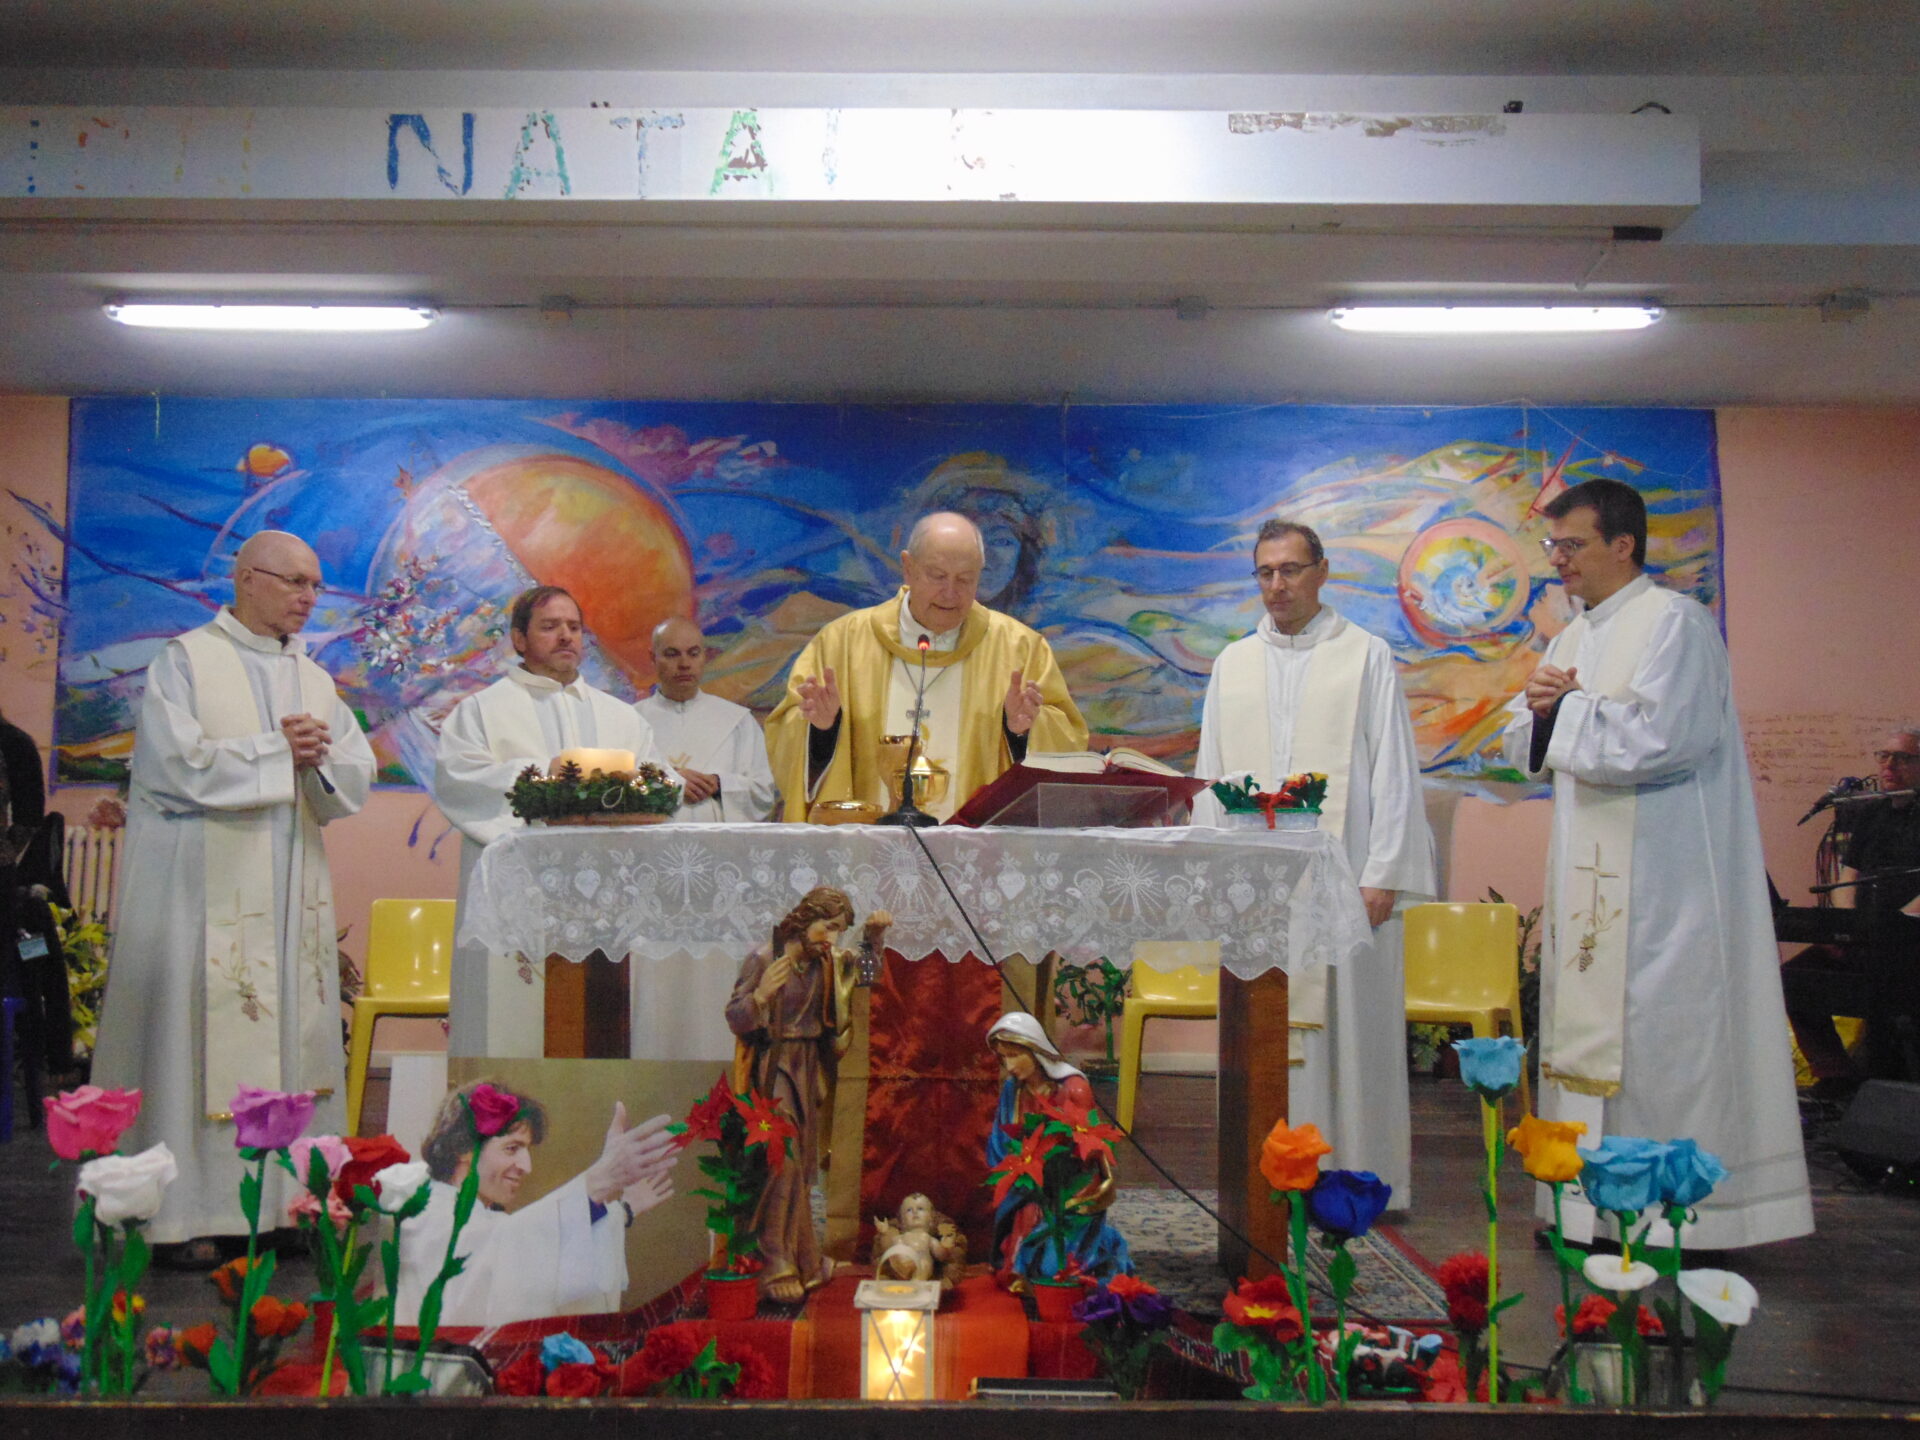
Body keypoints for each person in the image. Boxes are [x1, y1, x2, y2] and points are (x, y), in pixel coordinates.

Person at [1500, 478, 1813, 1249]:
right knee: (1588, 1032)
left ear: (1623, 544)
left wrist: (1565, 710)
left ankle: (1677, 1221)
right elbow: (1522, 735)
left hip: (1667, 889)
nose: (1558, 559)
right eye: (1553, 545)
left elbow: (1666, 740)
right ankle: (1585, 1208)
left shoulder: (1676, 623)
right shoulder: (1573, 638)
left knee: (1660, 1039)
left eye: (1572, 544)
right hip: (1590, 887)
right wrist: (1542, 713)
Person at [91, 532, 376, 1261]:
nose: (309, 597)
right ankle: (191, 1215)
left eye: (316, 585)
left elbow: (354, 771)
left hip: (288, 898)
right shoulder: (187, 660)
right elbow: (172, 765)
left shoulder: (312, 678)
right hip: (200, 896)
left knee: (291, 1038)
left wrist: (320, 758)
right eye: (295, 582)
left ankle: (287, 1206)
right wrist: (279, 751)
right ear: (248, 578)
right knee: (193, 1042)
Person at [1191, 519, 1436, 1205]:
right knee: (1262, 1029)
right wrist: (1210, 872)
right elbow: (1211, 772)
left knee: (1351, 1038)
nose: (1277, 585)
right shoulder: (1234, 664)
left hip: (1346, 882)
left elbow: (1393, 771)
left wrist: (1384, 872)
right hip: (1256, 894)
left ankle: (1354, 1182)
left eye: (1291, 570)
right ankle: (1266, 1180)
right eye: (1265, 572)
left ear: (1322, 572)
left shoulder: (1365, 656)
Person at [431, 585, 675, 1057]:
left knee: (600, 1028)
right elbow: (460, 781)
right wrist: (548, 778)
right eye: (550, 626)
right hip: (517, 888)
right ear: (519, 639)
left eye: (574, 627)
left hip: (603, 892)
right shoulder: (480, 712)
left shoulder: (620, 717)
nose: (566, 636)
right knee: (508, 1026)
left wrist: (616, 792)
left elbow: (662, 784)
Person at [765, 512, 1087, 822]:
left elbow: (1064, 749)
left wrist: (1020, 732)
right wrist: (822, 731)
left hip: (974, 847)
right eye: (937, 576)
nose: (950, 593)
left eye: (965, 579)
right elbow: (787, 736)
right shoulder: (841, 643)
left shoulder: (1020, 649)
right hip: (867, 844)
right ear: (908, 567)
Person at [392, 1080, 679, 1327]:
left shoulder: (476, 1217)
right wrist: (599, 1180)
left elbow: (520, 1246)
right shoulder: (428, 1213)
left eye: (526, 1150)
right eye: (512, 1148)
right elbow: (501, 1255)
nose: (526, 1166)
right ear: (463, 1148)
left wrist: (622, 1211)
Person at [724, 887, 890, 1301]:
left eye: (839, 931)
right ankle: (775, 1260)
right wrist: (760, 996)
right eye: (827, 927)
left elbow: (866, 976)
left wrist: (873, 940)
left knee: (802, 1166)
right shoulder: (765, 958)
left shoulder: (828, 962)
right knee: (782, 1162)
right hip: (774, 1066)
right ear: (805, 919)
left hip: (809, 1067)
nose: (832, 938)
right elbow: (736, 1017)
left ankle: (804, 1257)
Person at [1781, 727, 1920, 1095]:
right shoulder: (1871, 814)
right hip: (1864, 934)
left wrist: (1894, 925)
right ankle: (1835, 1075)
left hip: (1909, 939)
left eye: (1902, 758)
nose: (1889, 765)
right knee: (1794, 977)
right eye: (1884, 756)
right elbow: (1848, 875)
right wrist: (1847, 925)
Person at [984, 1012, 1131, 1289]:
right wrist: (1016, 1168)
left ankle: (1098, 1247)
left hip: (1069, 1187)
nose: (1009, 1066)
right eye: (1003, 1058)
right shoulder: (1013, 1090)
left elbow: (1089, 1146)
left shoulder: (1073, 1089)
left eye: (1014, 1055)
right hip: (1030, 1186)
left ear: (1035, 1050)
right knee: (1021, 1267)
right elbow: (1000, 1140)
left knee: (1054, 1267)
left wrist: (1097, 1179)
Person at [635, 617, 779, 823]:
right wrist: (668, 780)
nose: (684, 664)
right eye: (672, 654)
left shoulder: (738, 721)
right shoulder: (631, 720)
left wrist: (718, 784)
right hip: (651, 839)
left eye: (693, 654)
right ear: (653, 657)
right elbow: (612, 787)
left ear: (705, 656)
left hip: (719, 841)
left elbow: (762, 794)